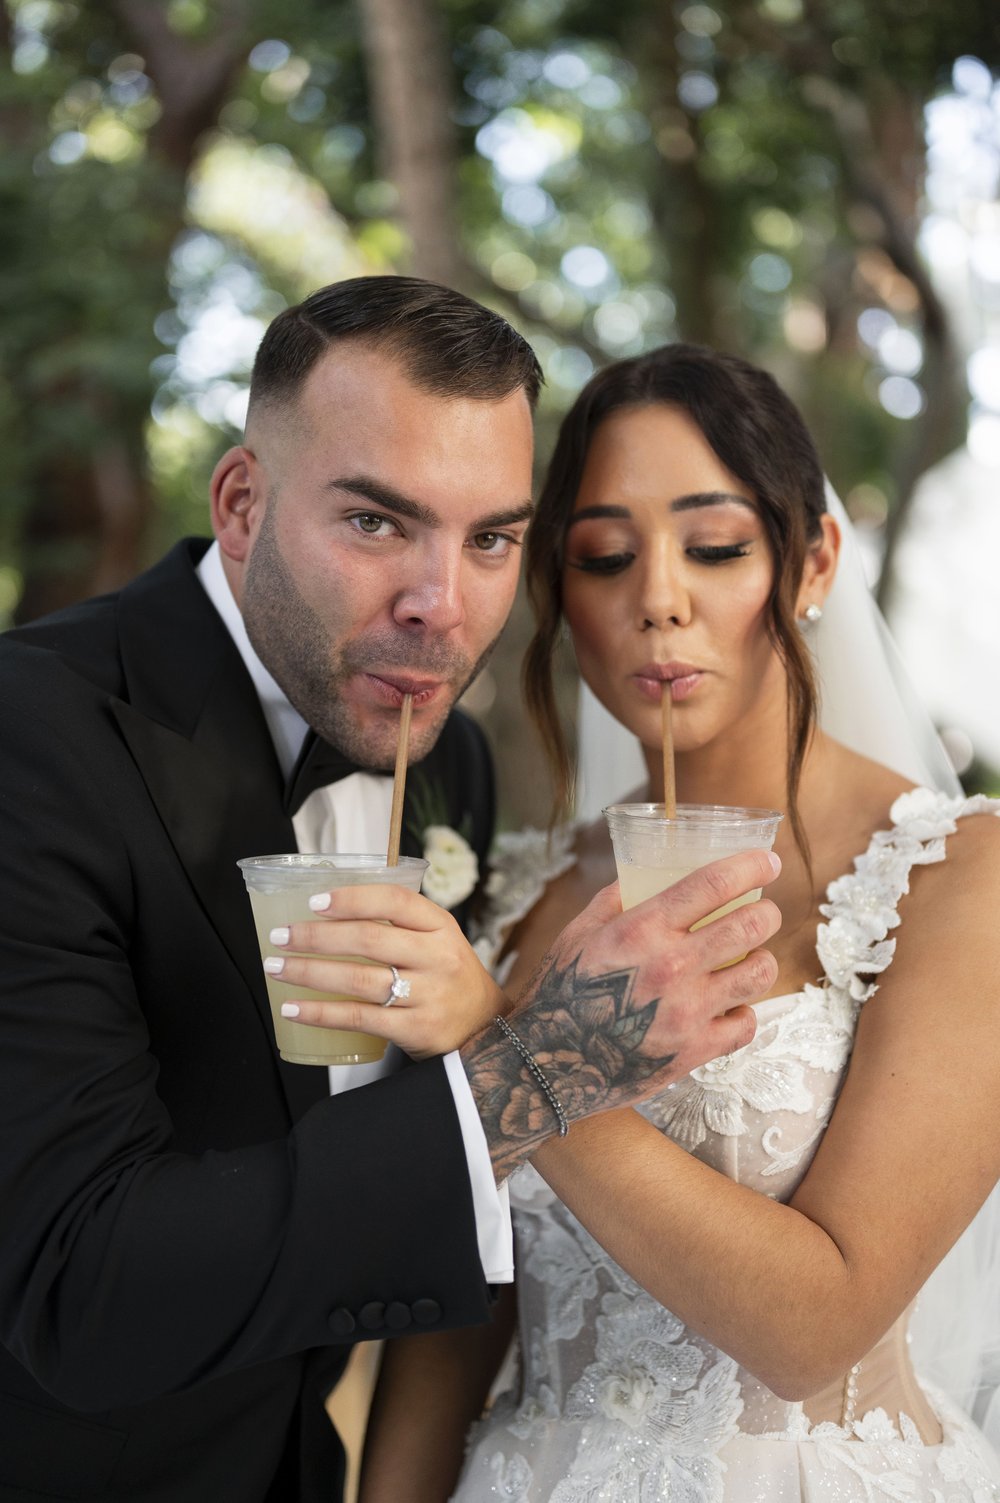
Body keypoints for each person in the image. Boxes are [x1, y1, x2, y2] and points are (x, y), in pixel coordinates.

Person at [0, 284, 781, 1503]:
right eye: (376, 524)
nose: (442, 606)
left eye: (489, 541)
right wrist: (544, 1069)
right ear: (243, 505)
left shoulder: (444, 761)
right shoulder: (29, 733)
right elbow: (75, 1287)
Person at [332, 343, 1000, 1501]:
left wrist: (505, 1044)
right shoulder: (525, 892)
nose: (658, 599)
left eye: (716, 546)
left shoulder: (956, 876)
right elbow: (457, 1319)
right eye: (602, 557)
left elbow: (814, 1326)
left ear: (812, 561)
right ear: (559, 593)